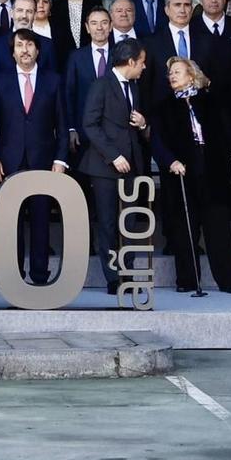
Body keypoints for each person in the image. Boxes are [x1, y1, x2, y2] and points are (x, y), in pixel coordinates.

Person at [0, 27, 70, 284]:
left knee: (41, 220)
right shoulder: (1, 80)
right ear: (12, 52)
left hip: (44, 162)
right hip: (9, 161)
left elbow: (62, 124)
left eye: (30, 45)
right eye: (19, 46)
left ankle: (40, 276)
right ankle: (15, 278)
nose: (25, 50)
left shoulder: (53, 80)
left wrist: (60, 160)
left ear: (37, 50)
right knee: (12, 222)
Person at [151, 55, 231, 294]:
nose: (172, 76)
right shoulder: (163, 107)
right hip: (180, 172)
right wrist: (171, 161)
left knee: (218, 227)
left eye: (177, 72)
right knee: (184, 228)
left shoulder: (211, 101)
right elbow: (157, 141)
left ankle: (229, 280)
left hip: (212, 170)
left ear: (192, 75)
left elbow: (227, 132)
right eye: (170, 73)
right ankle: (188, 280)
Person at [76, 36, 150, 296]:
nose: (144, 67)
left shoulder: (134, 87)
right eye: (141, 62)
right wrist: (113, 156)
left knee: (129, 222)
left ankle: (128, 275)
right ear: (130, 61)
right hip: (104, 166)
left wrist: (142, 124)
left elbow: (130, 127)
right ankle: (112, 278)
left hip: (131, 166)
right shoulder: (101, 85)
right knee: (108, 223)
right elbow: (90, 125)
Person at [62, 5, 115, 162]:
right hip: (82, 132)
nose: (99, 28)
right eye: (94, 23)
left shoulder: (120, 54)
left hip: (113, 132)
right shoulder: (76, 57)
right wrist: (71, 128)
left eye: (104, 23)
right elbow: (69, 94)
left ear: (111, 26)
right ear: (87, 27)